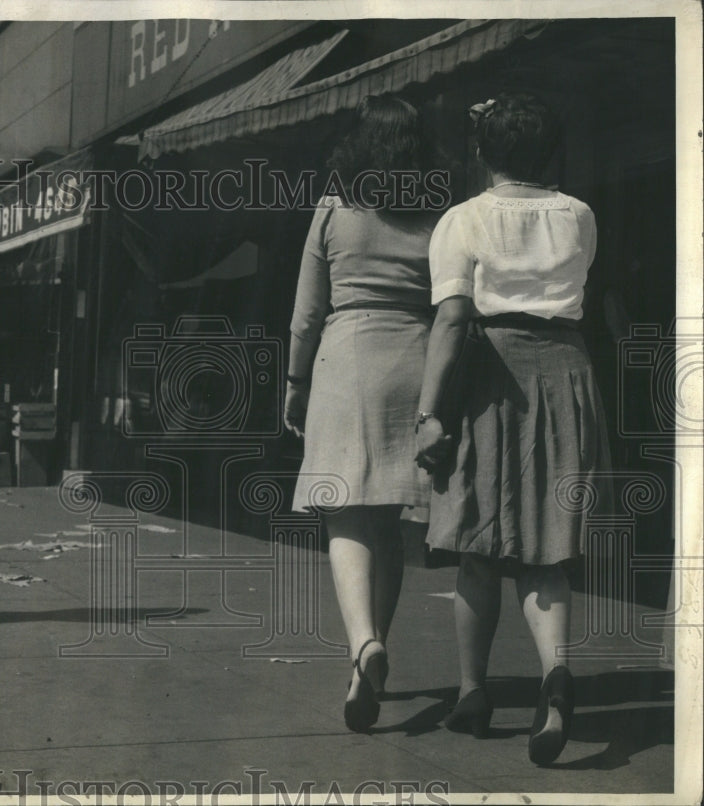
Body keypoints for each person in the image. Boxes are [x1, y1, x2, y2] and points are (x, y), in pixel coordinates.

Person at [414, 93, 613, 765]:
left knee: (476, 543)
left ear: (480, 152)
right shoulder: (579, 215)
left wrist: (429, 412)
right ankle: (555, 675)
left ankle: (473, 690)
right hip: (566, 370)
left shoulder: (463, 220)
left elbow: (449, 321)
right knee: (546, 548)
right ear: (550, 150)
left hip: (490, 375)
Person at [285, 95, 441, 732]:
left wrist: (294, 382)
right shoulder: (438, 213)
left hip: (347, 360)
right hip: (415, 358)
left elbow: (306, 313)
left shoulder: (334, 207)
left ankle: (363, 645)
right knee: (388, 520)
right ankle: (365, 663)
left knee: (342, 508)